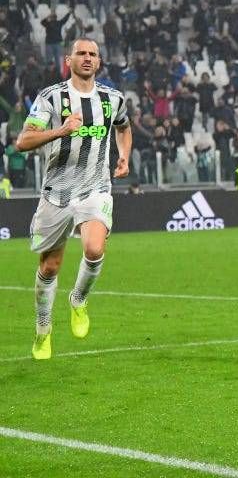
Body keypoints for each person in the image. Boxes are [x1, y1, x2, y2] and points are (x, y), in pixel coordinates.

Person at [15, 38, 132, 360]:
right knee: (50, 266)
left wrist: (124, 156)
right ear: (69, 60)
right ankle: (43, 328)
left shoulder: (112, 99)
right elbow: (23, 141)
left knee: (94, 248)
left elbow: (123, 127)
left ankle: (78, 299)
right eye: (81, 53)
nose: (87, 58)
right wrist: (60, 131)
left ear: (99, 62)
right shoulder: (51, 97)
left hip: (95, 187)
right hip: (57, 193)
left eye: (93, 54)